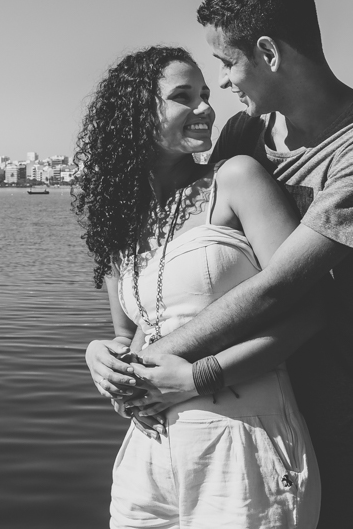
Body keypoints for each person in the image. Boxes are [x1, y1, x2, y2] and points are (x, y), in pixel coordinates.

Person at [86, 0, 353, 529]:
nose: (220, 84)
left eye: (225, 62)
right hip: (248, 412)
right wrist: (111, 349)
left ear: (268, 53)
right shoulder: (246, 135)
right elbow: (187, 261)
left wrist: (167, 366)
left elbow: (281, 285)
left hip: (345, 422)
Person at [74, 46, 323, 528]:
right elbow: (132, 336)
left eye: (206, 94)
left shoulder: (236, 180)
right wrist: (98, 356)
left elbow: (309, 311)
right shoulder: (119, 221)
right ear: (136, 114)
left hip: (244, 446)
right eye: (183, 96)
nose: (206, 107)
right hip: (147, 456)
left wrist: (199, 376)